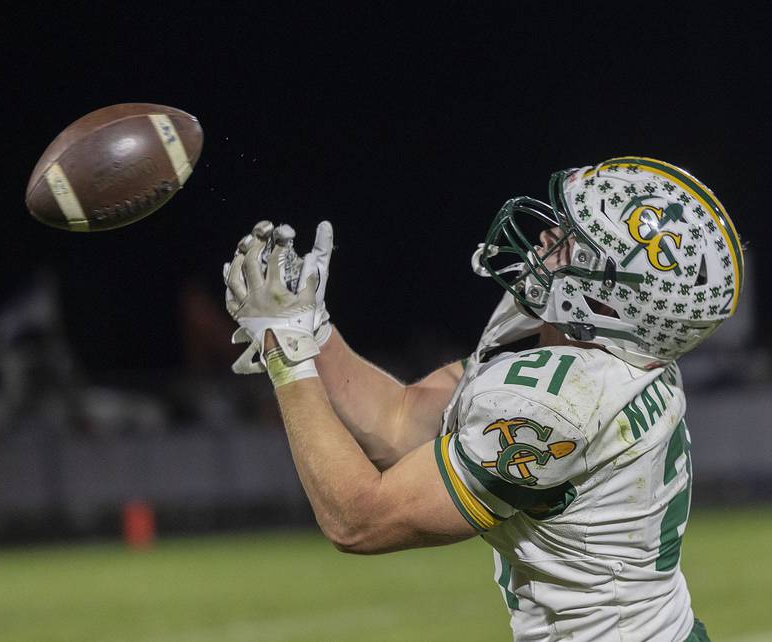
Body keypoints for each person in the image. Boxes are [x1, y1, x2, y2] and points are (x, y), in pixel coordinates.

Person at [223, 157, 743, 641]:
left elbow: (358, 520)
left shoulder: (564, 403)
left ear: (609, 301)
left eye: (576, 241)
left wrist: (287, 354)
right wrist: (309, 327)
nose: (549, 235)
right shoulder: (608, 350)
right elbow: (402, 421)